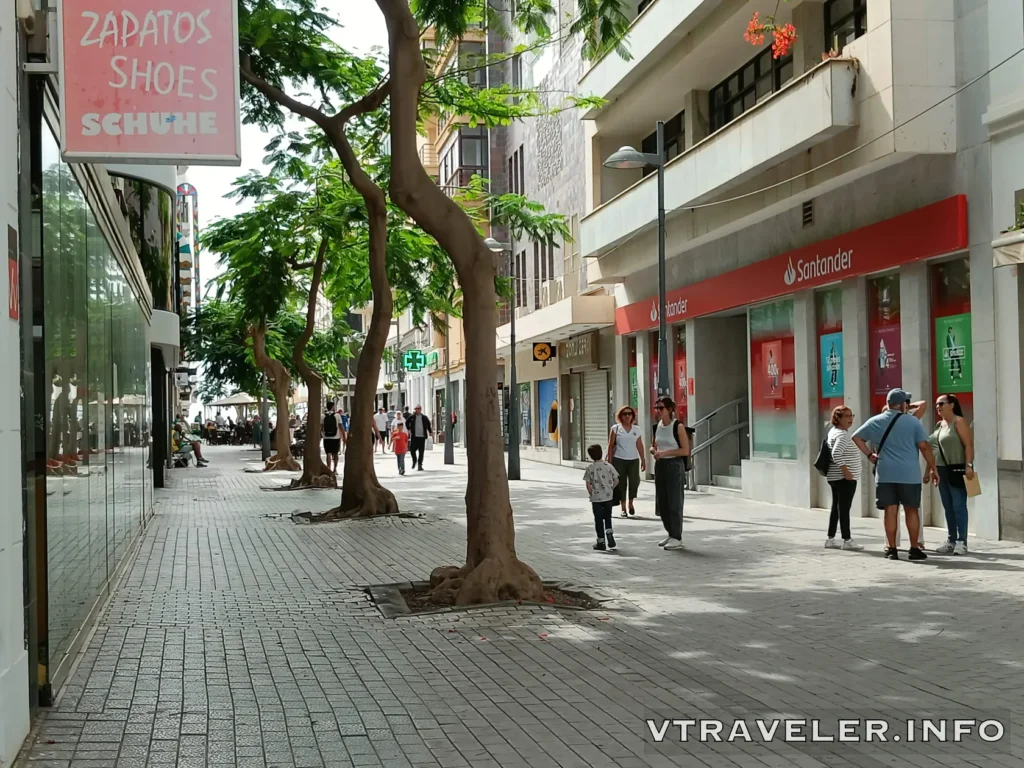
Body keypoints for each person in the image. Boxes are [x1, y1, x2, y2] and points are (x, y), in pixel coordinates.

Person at [852, 388, 937, 561]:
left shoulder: (876, 420)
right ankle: (914, 549)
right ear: (903, 404)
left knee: (890, 511)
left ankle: (891, 549)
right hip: (909, 474)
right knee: (911, 510)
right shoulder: (913, 422)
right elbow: (924, 446)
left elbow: (856, 437)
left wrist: (869, 455)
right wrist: (933, 467)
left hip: (885, 474)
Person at [930, 394, 975, 555]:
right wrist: (932, 469)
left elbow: (968, 445)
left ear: (952, 405)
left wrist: (968, 465)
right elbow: (935, 450)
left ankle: (962, 541)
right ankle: (951, 539)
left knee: (958, 506)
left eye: (941, 403)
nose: (938, 406)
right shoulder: (938, 425)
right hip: (942, 470)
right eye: (936, 404)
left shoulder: (959, 422)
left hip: (957, 468)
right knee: (948, 507)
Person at [650, 396, 691, 551]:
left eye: (661, 408)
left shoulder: (677, 426)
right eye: (656, 408)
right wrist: (654, 451)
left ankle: (677, 536)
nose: (658, 411)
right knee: (662, 502)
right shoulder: (657, 427)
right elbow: (653, 445)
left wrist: (665, 453)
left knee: (674, 501)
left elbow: (685, 450)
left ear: (670, 409)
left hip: (674, 465)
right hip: (660, 465)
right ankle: (670, 532)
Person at [823, 406, 864, 551]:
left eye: (851, 415)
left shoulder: (834, 432)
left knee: (837, 508)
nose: (850, 419)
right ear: (838, 418)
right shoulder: (841, 435)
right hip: (843, 478)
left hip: (836, 477)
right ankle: (847, 540)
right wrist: (846, 471)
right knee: (844, 509)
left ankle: (831, 538)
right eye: (846, 416)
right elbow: (836, 453)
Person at [606, 405, 646, 518]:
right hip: (619, 459)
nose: (627, 416)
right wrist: (609, 462)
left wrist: (643, 459)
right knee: (621, 484)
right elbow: (610, 446)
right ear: (621, 416)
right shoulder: (616, 428)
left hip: (633, 459)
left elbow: (639, 445)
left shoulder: (636, 429)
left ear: (633, 416)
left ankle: (631, 503)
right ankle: (623, 508)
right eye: (625, 414)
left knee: (634, 482)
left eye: (629, 414)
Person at [583, 444, 619, 551]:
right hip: (608, 497)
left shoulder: (590, 468)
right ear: (601, 453)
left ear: (590, 456)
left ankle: (601, 541)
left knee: (598, 519)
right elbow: (617, 479)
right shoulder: (608, 466)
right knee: (608, 517)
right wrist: (611, 488)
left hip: (596, 498)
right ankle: (609, 531)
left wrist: (591, 493)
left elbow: (588, 484)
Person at [407, 405, 432, 471]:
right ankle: (414, 460)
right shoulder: (412, 417)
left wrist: (430, 431)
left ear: (420, 409)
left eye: (418, 409)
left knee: (421, 452)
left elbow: (428, 424)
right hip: (414, 436)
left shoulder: (424, 417)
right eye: (415, 409)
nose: (417, 410)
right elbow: (406, 422)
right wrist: (409, 429)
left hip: (422, 437)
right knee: (412, 450)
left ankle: (420, 465)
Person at [323, 401, 345, 474]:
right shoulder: (337, 415)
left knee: (328, 454)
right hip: (336, 438)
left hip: (326, 438)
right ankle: (335, 469)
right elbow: (341, 427)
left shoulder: (323, 416)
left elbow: (320, 427)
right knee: (335, 453)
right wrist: (344, 437)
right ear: (333, 407)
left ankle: (328, 469)